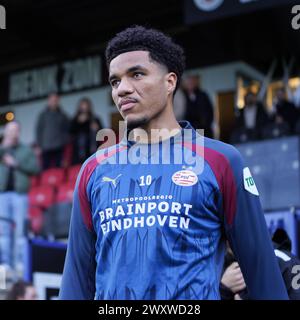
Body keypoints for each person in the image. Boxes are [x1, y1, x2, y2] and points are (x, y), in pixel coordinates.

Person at [59, 26, 288, 300]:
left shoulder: (221, 161)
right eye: (115, 81)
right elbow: (76, 280)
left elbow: (261, 270)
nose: (122, 89)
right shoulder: (93, 169)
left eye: (137, 74)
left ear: (170, 82)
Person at [0, 121, 40, 270]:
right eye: (10, 130)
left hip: (20, 195)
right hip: (2, 195)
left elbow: (35, 169)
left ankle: (20, 264)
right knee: (3, 231)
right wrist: (4, 146)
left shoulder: (25, 150)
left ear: (19, 132)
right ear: (6, 132)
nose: (12, 133)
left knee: (20, 231)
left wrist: (16, 164)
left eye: (15, 130)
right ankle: (6, 265)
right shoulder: (2, 148)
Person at [36, 93, 69, 169]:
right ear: (48, 101)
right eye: (52, 100)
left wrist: (63, 141)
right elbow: (39, 130)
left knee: (59, 169)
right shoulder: (43, 115)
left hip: (59, 147)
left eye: (55, 100)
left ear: (58, 101)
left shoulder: (63, 115)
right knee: (45, 169)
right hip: (45, 147)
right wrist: (39, 145)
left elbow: (67, 130)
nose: (53, 102)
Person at [70, 97, 103, 164]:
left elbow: (102, 133)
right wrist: (78, 123)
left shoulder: (95, 119)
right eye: (83, 106)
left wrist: (97, 128)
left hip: (92, 149)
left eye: (86, 106)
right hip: (79, 151)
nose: (84, 108)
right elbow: (71, 132)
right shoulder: (75, 120)